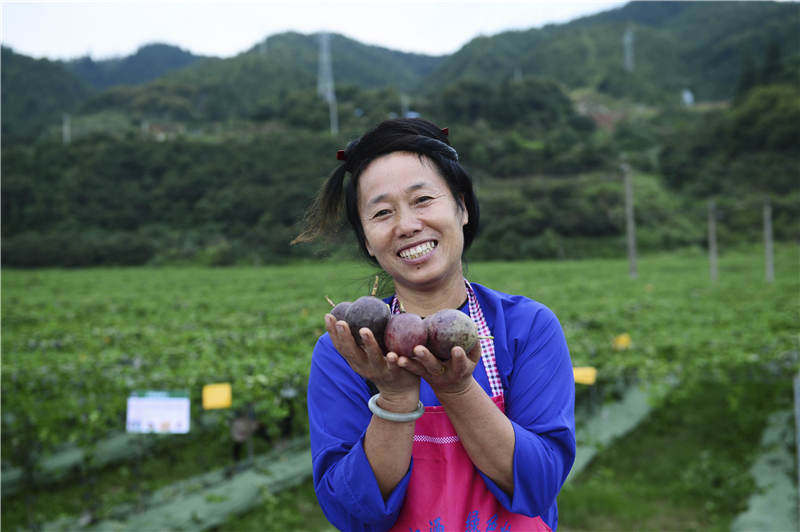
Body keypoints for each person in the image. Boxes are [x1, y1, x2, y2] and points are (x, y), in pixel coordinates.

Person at [293, 118, 575, 531]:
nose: (407, 225)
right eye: (383, 212)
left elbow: (538, 486)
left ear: (461, 207)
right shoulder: (348, 350)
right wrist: (393, 399)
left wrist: (457, 388)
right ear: (368, 241)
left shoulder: (526, 328)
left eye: (422, 200)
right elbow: (354, 513)